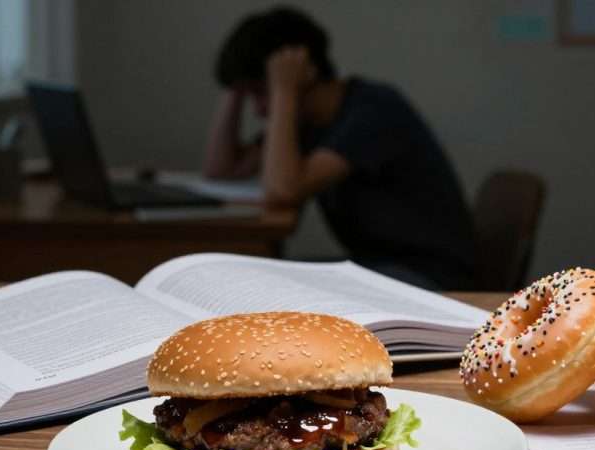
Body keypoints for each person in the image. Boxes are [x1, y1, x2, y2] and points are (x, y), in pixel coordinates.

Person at [203, 6, 476, 290]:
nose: (259, 110)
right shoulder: (306, 124)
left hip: (431, 277)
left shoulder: (373, 109)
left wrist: (283, 92)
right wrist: (233, 86)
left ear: (304, 73)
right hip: (374, 266)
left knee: (270, 290)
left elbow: (282, 190)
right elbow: (222, 169)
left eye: (261, 92)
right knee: (251, 281)